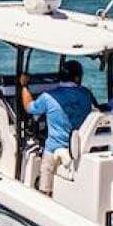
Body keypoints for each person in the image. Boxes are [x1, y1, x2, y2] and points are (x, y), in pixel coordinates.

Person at [21, 59, 96, 189]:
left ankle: (45, 192)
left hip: (54, 149)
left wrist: (24, 86)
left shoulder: (47, 97)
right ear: (77, 78)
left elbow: (29, 107)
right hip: (79, 149)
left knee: (45, 187)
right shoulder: (86, 94)